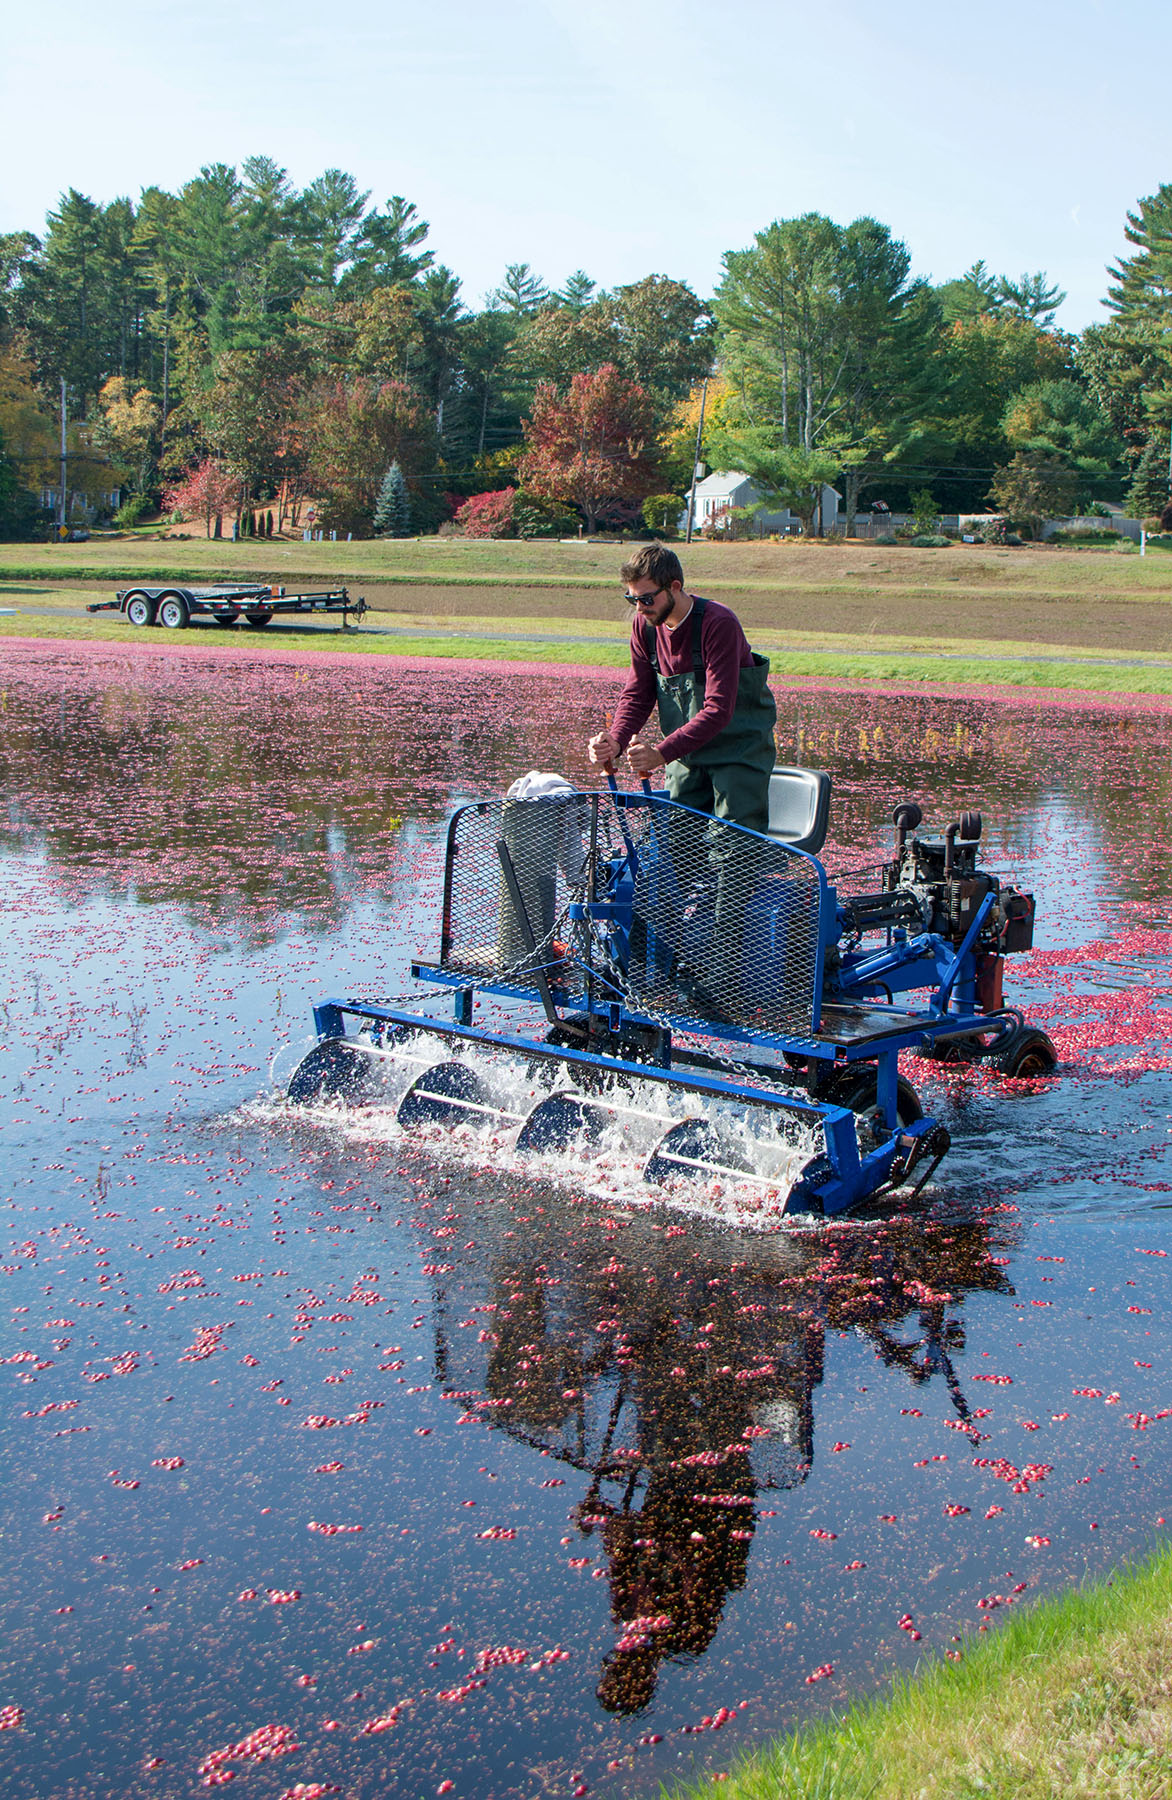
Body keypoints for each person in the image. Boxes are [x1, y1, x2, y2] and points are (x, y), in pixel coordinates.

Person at [587, 543, 777, 834]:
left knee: (732, 849)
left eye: (647, 598)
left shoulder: (718, 623)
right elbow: (638, 695)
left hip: (738, 756)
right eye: (632, 599)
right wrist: (616, 740)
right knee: (676, 844)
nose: (639, 608)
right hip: (685, 758)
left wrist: (660, 754)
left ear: (674, 587)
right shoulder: (645, 626)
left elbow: (717, 710)